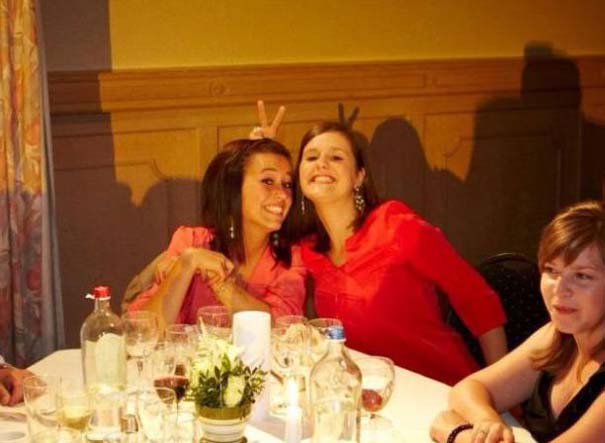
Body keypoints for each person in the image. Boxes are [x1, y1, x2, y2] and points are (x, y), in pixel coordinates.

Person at [430, 200, 605, 443]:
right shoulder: (558, 336)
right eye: (551, 270)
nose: (559, 288)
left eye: (582, 276)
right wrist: (488, 423)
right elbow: (469, 388)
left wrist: (459, 435)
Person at [127, 138, 306, 329]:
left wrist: (221, 283)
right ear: (232, 190)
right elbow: (146, 330)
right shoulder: (192, 241)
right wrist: (187, 263)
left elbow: (282, 330)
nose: (283, 195)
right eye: (268, 181)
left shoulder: (291, 258)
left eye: (287, 184)